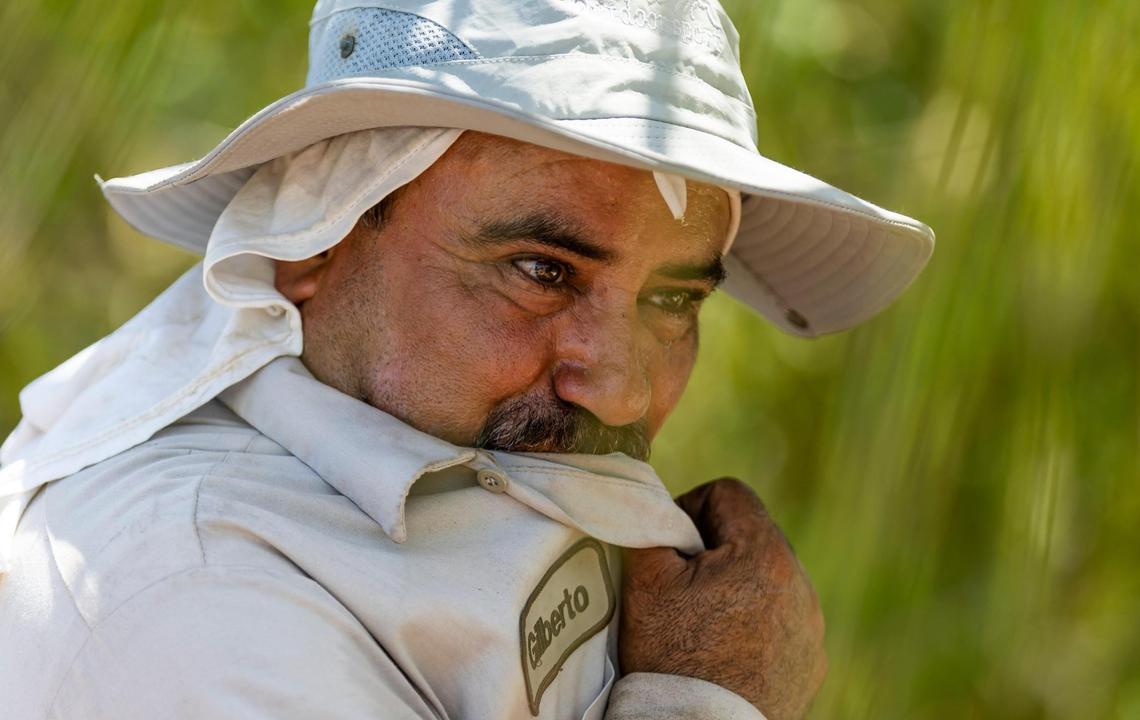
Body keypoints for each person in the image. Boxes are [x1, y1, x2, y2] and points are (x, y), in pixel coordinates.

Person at [0, 1, 933, 718]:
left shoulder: (446, 437)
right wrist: (715, 697)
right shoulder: (190, 603)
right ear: (310, 245)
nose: (619, 385)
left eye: (672, 301)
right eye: (541, 270)